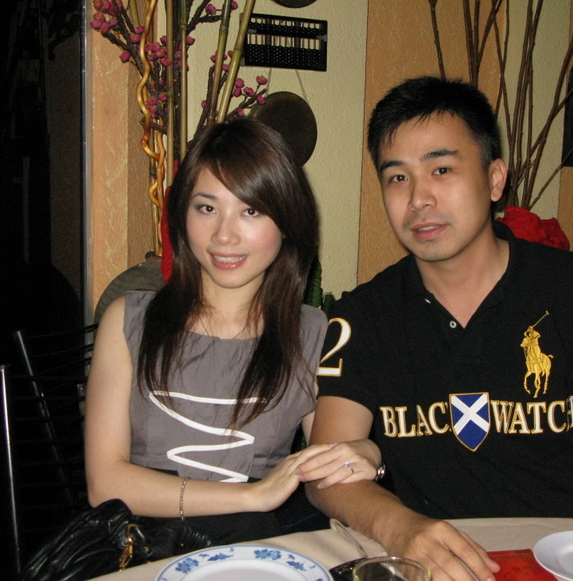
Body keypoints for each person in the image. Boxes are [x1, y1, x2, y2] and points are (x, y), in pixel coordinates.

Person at [300, 77, 573, 581]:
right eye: (397, 177)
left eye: (441, 169)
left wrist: (571, 567)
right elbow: (326, 473)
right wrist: (401, 529)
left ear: (494, 179)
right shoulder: (363, 316)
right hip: (431, 565)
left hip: (563, 557)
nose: (418, 198)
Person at [85, 118, 381, 544]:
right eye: (207, 208)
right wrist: (252, 495)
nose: (224, 236)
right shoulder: (129, 320)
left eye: (250, 210)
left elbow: (332, 467)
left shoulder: (313, 334)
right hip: (144, 547)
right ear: (182, 215)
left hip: (254, 551)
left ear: (288, 220)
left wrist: (368, 452)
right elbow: (105, 484)